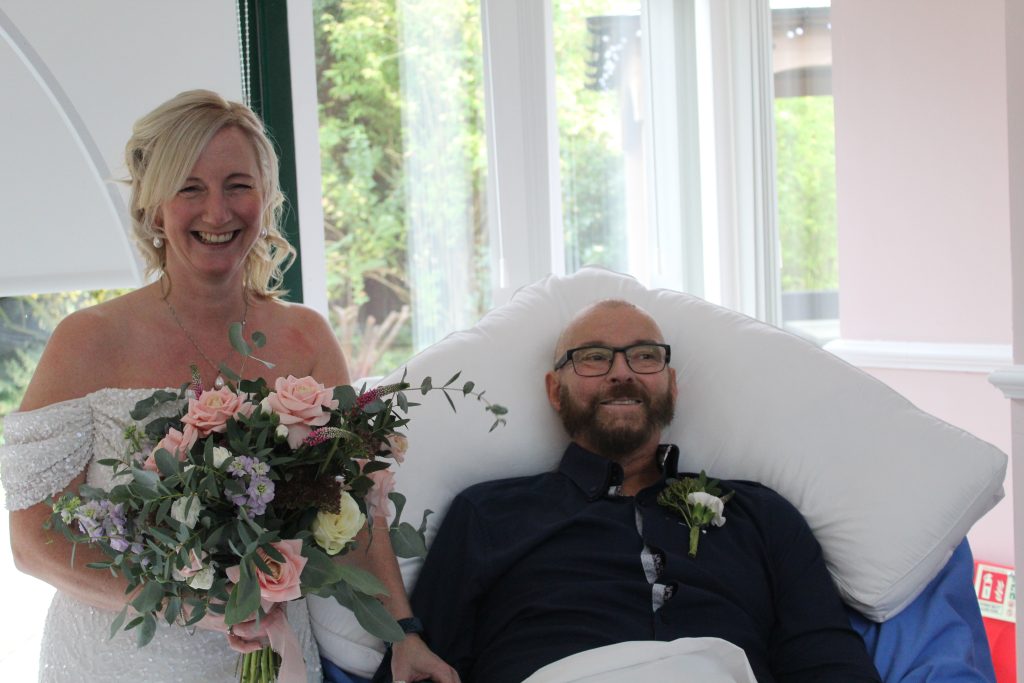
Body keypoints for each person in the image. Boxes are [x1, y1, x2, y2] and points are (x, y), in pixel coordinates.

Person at [1, 90, 455, 683]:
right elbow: (33, 543)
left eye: (238, 185)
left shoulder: (307, 338)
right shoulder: (88, 340)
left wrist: (404, 637)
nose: (217, 212)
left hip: (277, 657)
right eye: (190, 188)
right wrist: (194, 607)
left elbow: (358, 512)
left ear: (265, 199)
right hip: (115, 661)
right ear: (153, 207)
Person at [403, 299, 883, 682]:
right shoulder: (488, 514)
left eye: (645, 356)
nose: (622, 372)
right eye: (594, 357)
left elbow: (827, 660)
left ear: (671, 386)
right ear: (554, 391)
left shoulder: (760, 514)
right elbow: (423, 665)